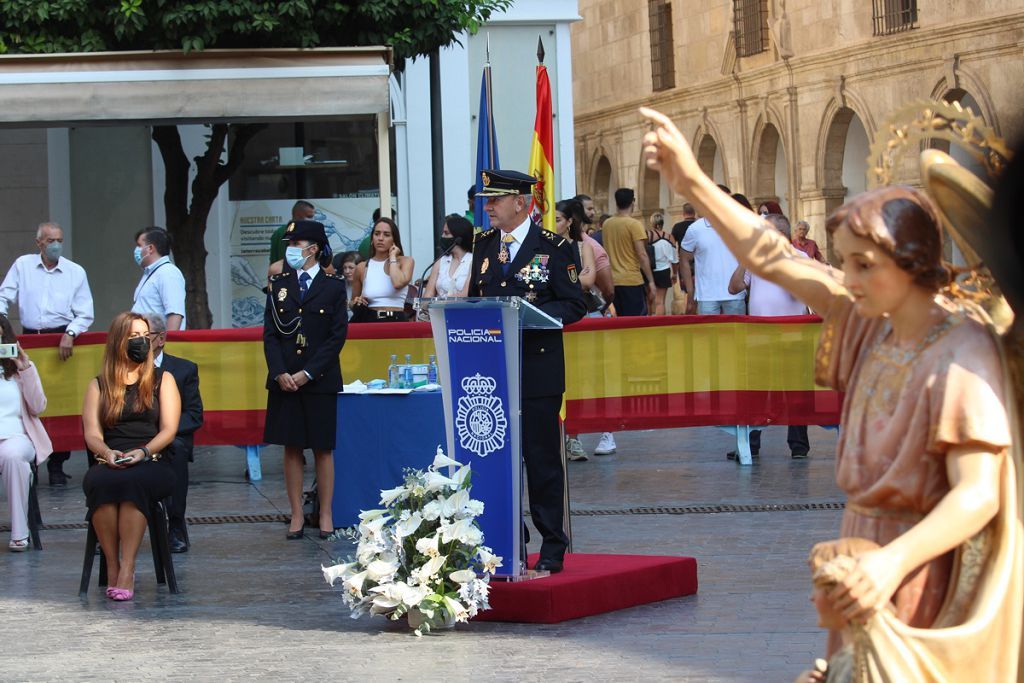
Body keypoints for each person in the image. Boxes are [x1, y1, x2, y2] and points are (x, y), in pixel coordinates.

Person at [642, 106, 1020, 678]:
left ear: (911, 262)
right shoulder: (868, 320)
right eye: (844, 263)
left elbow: (979, 495)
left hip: (921, 562)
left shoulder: (963, 352)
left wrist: (892, 564)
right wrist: (692, 181)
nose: (847, 279)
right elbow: (772, 255)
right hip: (859, 547)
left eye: (863, 265)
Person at [469, 169, 586, 573]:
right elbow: (474, 301)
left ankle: (552, 542)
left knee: (540, 460)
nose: (487, 209)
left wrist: (527, 315)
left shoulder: (552, 248)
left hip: (536, 371)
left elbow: (575, 305)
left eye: (494, 201)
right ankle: (508, 538)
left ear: (520, 202)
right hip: (491, 372)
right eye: (487, 201)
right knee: (496, 459)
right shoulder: (483, 247)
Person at [82, 312, 181, 601]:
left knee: (131, 484)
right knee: (101, 483)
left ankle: (127, 568)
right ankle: (112, 566)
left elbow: (169, 430)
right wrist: (106, 452)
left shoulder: (164, 379)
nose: (140, 342)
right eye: (133, 337)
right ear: (117, 342)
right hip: (111, 457)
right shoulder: (98, 385)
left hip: (153, 458)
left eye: (144, 336)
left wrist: (144, 451)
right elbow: (92, 434)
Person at [264, 219, 348, 539]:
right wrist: (280, 373)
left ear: (313, 248)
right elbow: (270, 335)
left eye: (297, 244)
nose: (291, 250)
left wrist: (307, 373)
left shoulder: (333, 285)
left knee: (323, 449)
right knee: (292, 447)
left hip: (319, 379)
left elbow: (336, 336)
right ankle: (296, 514)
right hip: (285, 379)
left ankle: (325, 513)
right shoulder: (279, 283)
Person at [0, 221, 93, 486]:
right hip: (30, 338)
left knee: (60, 400)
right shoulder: (22, 266)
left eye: (59, 240)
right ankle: (29, 459)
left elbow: (85, 312)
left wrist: (72, 333)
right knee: (30, 399)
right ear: (38, 242)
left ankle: (57, 463)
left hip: (63, 339)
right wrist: (3, 328)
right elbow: (3, 296)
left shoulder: (75, 272)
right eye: (50, 240)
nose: (56, 245)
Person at [727, 213, 810, 459]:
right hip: (760, 337)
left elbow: (801, 294)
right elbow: (733, 287)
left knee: (795, 391)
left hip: (792, 336)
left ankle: (798, 446)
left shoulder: (801, 259)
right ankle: (751, 445)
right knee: (758, 393)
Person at [143, 313, 203, 553]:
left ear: (161, 339)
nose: (137, 342)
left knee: (176, 450)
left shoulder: (183, 370)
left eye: (144, 337)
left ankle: (175, 525)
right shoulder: (121, 370)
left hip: (169, 439)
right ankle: (101, 524)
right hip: (134, 437)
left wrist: (164, 431)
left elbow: (194, 415)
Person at [0, 315, 51, 551]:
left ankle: (20, 533)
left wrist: (25, 368)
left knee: (13, 456)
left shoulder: (19, 369)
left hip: (16, 437)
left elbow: (38, 406)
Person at [680, 194, 748, 315]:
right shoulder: (695, 229)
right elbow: (684, 259)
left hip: (735, 294)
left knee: (736, 333)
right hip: (707, 296)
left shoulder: (740, 226)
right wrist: (690, 291)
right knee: (709, 334)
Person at [602, 188, 656, 318]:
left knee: (620, 323)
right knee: (635, 322)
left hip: (613, 281)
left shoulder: (607, 224)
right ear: (633, 202)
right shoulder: (634, 225)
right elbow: (642, 254)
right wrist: (651, 281)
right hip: (631, 281)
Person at [350, 217, 415, 322]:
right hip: (369, 320)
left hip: (397, 320)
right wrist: (356, 301)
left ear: (394, 239)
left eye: (386, 235)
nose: (380, 238)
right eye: (377, 234)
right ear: (372, 238)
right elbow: (353, 302)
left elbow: (398, 283)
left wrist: (393, 256)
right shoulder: (362, 267)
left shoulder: (406, 261)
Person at [131, 227, 186, 330]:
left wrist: (168, 344)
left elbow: (175, 314)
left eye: (139, 246)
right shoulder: (151, 274)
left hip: (156, 344)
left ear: (150, 248)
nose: (136, 250)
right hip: (143, 342)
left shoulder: (168, 273)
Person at [422, 214, 474, 299]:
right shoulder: (440, 262)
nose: (442, 236)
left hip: (463, 310)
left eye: (446, 233)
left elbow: (465, 294)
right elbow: (428, 295)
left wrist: (441, 302)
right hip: (438, 311)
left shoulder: (473, 260)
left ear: (459, 237)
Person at [647, 212, 678, 316]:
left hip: (650, 270)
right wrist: (674, 274)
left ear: (652, 223)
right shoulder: (670, 237)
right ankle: (659, 326)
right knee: (660, 302)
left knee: (648, 299)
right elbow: (674, 259)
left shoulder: (648, 235)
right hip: (664, 270)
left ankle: (647, 323)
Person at [268, 200, 316, 265]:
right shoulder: (307, 233)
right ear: (298, 215)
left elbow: (273, 261)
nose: (313, 220)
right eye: (309, 216)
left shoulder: (278, 232)